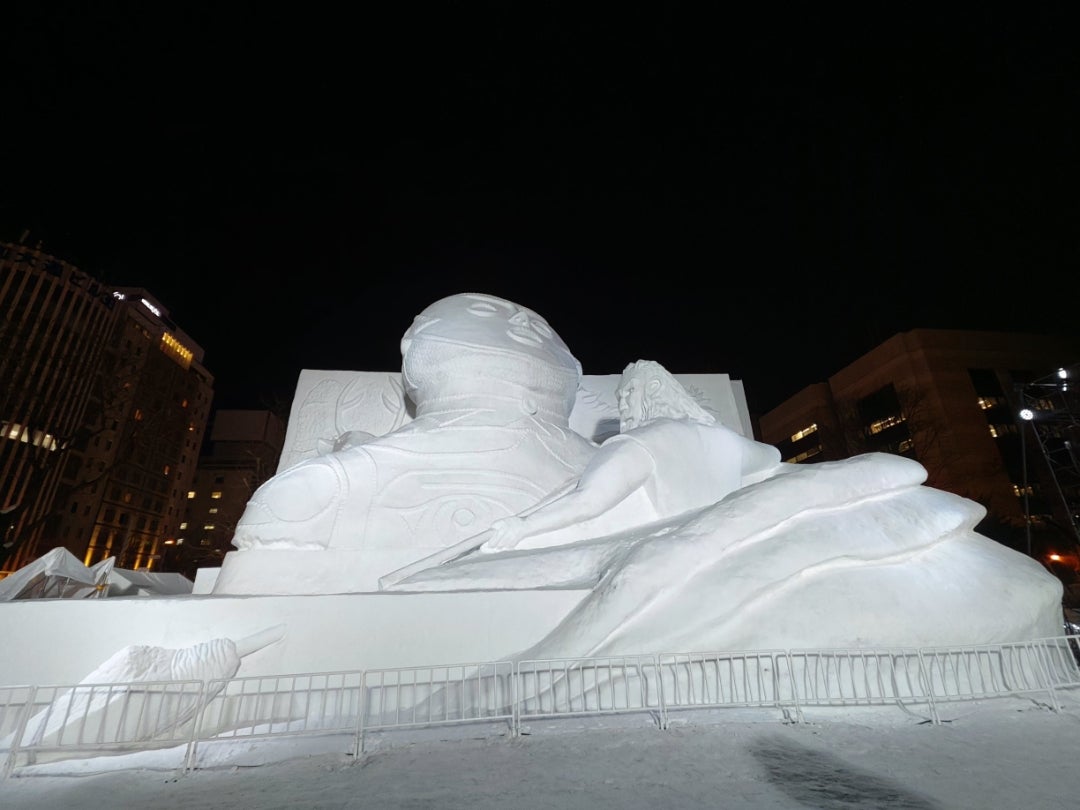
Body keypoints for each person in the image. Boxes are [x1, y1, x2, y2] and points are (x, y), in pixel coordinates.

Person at [219, 293, 598, 591]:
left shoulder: (326, 485)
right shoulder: (329, 486)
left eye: (536, 326)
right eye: (482, 312)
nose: (520, 322)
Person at [480, 359, 784, 552]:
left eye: (628, 394)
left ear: (653, 388)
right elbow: (771, 456)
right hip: (730, 553)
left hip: (674, 556)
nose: (622, 404)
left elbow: (588, 502)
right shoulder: (728, 441)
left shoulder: (640, 443)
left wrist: (522, 526)